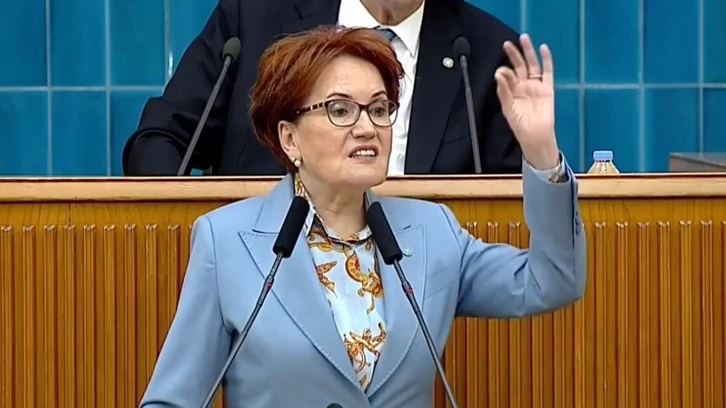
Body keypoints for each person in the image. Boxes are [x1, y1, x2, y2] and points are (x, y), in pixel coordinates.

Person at [139, 26, 586, 408]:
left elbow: (553, 281)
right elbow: (171, 401)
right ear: (290, 138)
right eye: (339, 110)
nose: (367, 127)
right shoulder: (228, 241)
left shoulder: (432, 233)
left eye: (378, 109)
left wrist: (541, 152)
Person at [123, 0, 525, 176]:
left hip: (422, 289)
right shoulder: (255, 15)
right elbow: (162, 137)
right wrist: (183, 224)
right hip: (263, 279)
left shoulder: (486, 53)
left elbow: (513, 206)